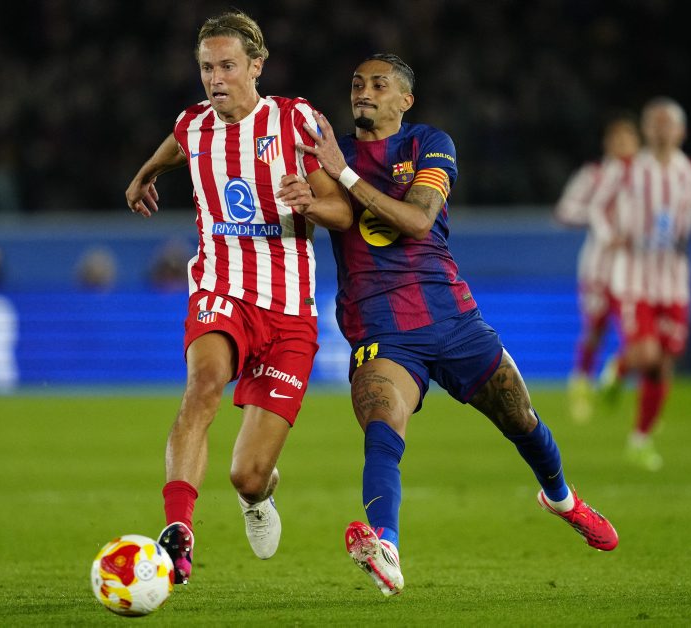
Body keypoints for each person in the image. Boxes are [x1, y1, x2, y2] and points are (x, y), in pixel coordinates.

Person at [282, 54, 618, 597]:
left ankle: (562, 500)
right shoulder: (330, 152)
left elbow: (417, 220)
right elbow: (334, 212)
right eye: (357, 84)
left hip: (452, 316)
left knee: (521, 417)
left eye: (378, 85)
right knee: (382, 425)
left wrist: (342, 175)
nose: (363, 92)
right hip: (379, 325)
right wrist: (308, 199)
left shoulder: (429, 143)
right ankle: (385, 546)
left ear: (405, 100)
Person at [124, 11, 351, 585]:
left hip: (289, 310)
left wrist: (311, 203)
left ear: (256, 66)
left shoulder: (296, 121)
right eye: (206, 67)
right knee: (202, 387)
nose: (215, 78)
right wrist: (146, 173)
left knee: (247, 475)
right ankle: (178, 531)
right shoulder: (194, 125)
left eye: (227, 66)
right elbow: (177, 145)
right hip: (220, 291)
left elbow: (344, 212)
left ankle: (259, 495)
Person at [586, 97, 691, 471]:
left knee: (662, 363)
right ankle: (618, 368)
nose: (663, 130)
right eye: (656, 123)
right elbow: (597, 207)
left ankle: (640, 439)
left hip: (674, 281)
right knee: (646, 354)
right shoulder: (628, 168)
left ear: (682, 131)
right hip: (634, 276)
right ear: (647, 130)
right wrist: (609, 235)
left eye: (669, 123)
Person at [555, 114, 641, 422]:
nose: (623, 145)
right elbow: (565, 211)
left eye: (628, 139)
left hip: (637, 267)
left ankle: (616, 373)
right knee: (596, 328)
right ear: (607, 143)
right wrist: (597, 220)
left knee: (639, 332)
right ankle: (581, 384)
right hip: (600, 265)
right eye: (617, 139)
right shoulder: (593, 175)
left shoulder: (647, 177)